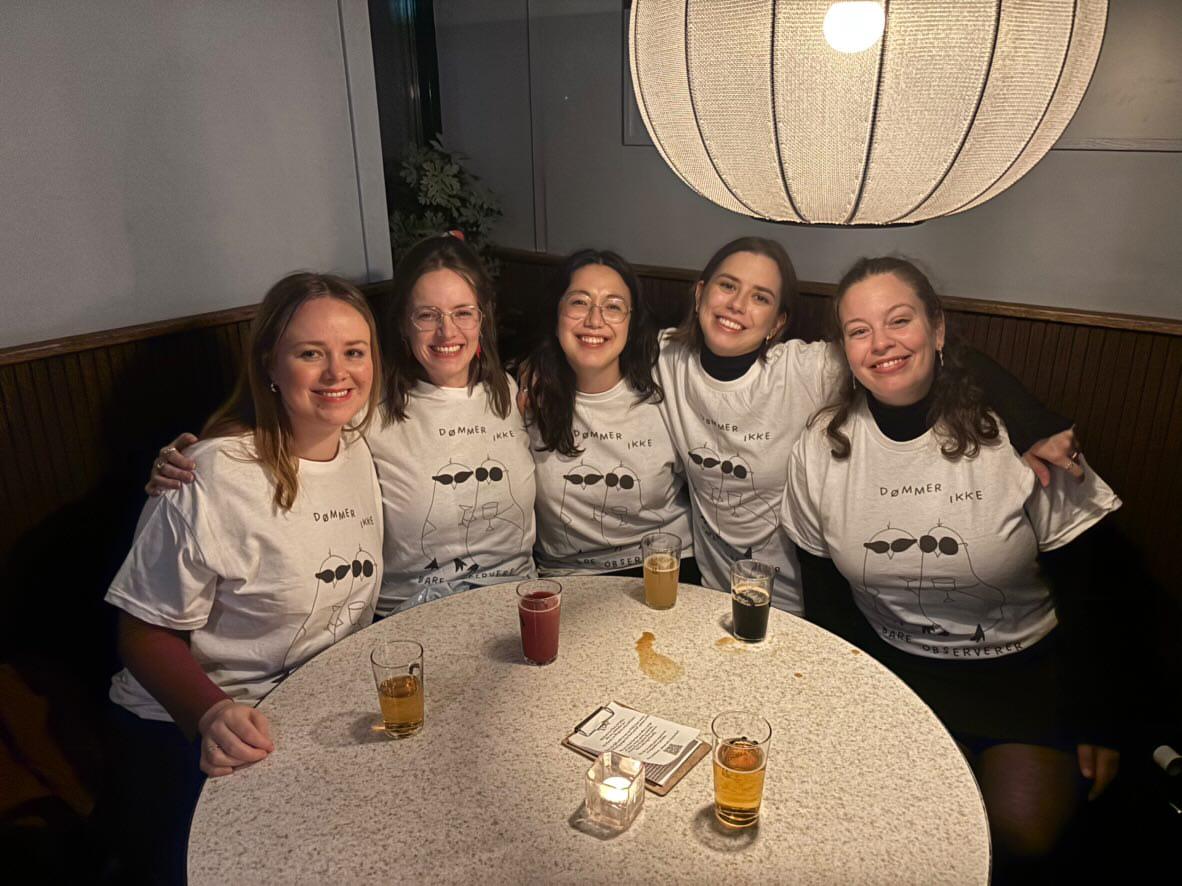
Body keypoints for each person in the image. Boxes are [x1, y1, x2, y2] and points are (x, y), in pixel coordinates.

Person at [780, 256, 1120, 868]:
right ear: (845, 350)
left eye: (899, 321)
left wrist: (1100, 714)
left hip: (1025, 675)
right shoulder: (821, 445)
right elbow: (824, 595)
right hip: (895, 671)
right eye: (859, 330)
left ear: (937, 329)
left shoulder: (1020, 437)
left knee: (1018, 832)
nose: (881, 343)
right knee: (884, 825)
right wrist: (844, 702)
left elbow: (1099, 586)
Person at [101, 273, 385, 883]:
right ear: (269, 365)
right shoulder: (210, 477)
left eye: (354, 352)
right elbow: (141, 634)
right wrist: (210, 713)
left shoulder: (359, 441)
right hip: (191, 728)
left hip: (309, 712)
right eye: (311, 353)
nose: (337, 373)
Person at [655, 237, 1082, 613]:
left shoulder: (803, 369)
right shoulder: (666, 357)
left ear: (778, 323)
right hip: (710, 594)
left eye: (760, 297)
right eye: (728, 286)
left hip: (796, 603)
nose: (737, 304)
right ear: (700, 293)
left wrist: (1034, 424)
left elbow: (919, 356)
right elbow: (616, 334)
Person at [150, 234, 535, 615]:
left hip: (520, 599)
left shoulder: (510, 389)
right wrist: (196, 459)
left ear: (482, 318)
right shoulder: (365, 403)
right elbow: (284, 424)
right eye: (427, 315)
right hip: (416, 616)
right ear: (403, 323)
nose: (447, 331)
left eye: (463, 312)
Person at [518, 249, 696, 580]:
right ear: (557, 313)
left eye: (613, 306)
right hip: (568, 579)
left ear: (631, 321)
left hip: (666, 568)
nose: (595, 320)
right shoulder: (525, 397)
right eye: (579, 302)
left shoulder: (666, 387)